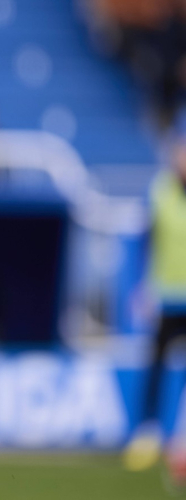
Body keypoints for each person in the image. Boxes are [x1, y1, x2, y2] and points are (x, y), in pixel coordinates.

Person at [124, 142, 186, 473]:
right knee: (157, 366)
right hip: (166, 297)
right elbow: (143, 242)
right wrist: (141, 287)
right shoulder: (159, 191)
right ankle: (147, 433)